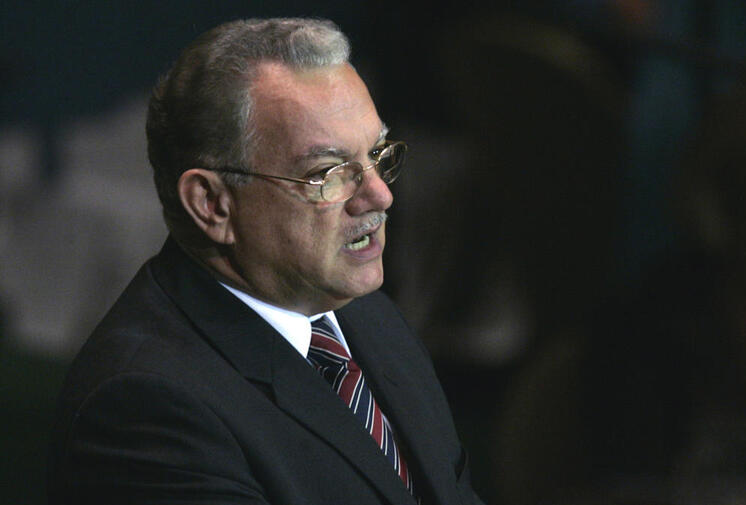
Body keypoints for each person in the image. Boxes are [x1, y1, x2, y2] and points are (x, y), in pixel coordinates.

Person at [48, 18, 485, 505]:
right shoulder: (147, 410)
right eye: (328, 174)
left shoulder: (365, 314)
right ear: (212, 204)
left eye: (378, 155)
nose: (380, 196)